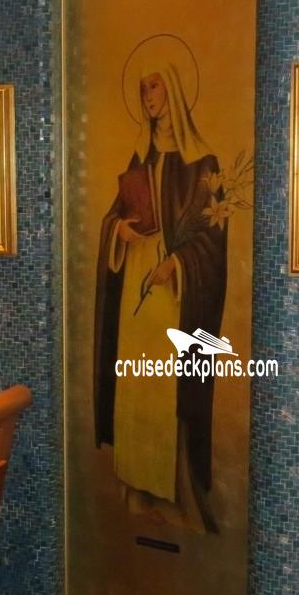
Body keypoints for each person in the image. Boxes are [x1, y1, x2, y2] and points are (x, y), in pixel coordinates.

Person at [93, 60, 226, 532]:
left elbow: (212, 242)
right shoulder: (140, 160)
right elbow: (114, 216)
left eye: (155, 88)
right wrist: (119, 232)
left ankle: (172, 496)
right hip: (136, 282)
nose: (148, 97)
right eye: (143, 90)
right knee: (136, 388)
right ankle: (137, 490)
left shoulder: (202, 164)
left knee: (164, 388)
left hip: (172, 294)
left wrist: (178, 263)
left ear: (173, 91)